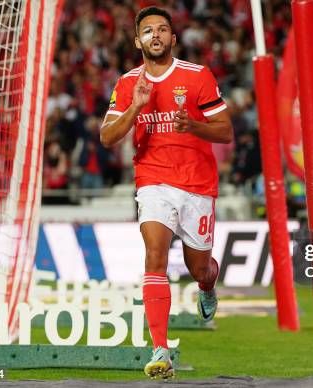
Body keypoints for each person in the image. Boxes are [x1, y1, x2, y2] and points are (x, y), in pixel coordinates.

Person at [99, 6, 233, 379]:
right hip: (153, 180)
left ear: (173, 39)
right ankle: (161, 349)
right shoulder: (128, 84)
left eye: (162, 30)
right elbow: (108, 137)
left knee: (198, 267)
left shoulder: (197, 77)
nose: (155, 36)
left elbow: (224, 131)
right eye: (148, 31)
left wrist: (193, 125)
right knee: (154, 254)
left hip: (197, 183)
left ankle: (208, 285)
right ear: (137, 40)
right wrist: (136, 108)